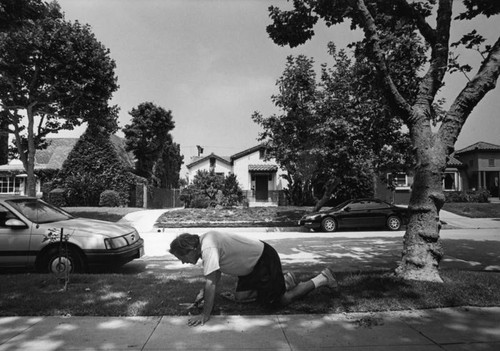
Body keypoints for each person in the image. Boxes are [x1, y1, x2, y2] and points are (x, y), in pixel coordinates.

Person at [169, 230, 338, 327]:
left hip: (263, 260)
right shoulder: (205, 241)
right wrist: (204, 294)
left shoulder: (208, 247)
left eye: (182, 258)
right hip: (250, 267)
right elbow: (215, 273)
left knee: (278, 302)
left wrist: (205, 315)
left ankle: (322, 278)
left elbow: (211, 282)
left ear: (190, 249)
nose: (184, 262)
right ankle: (284, 281)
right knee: (241, 298)